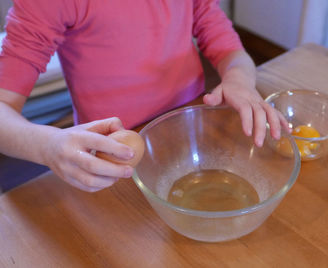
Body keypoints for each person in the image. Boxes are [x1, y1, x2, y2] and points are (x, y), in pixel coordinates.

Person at [0, 0, 290, 192]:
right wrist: (47, 145)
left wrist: (239, 79)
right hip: (113, 161)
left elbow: (226, 45)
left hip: (190, 134)